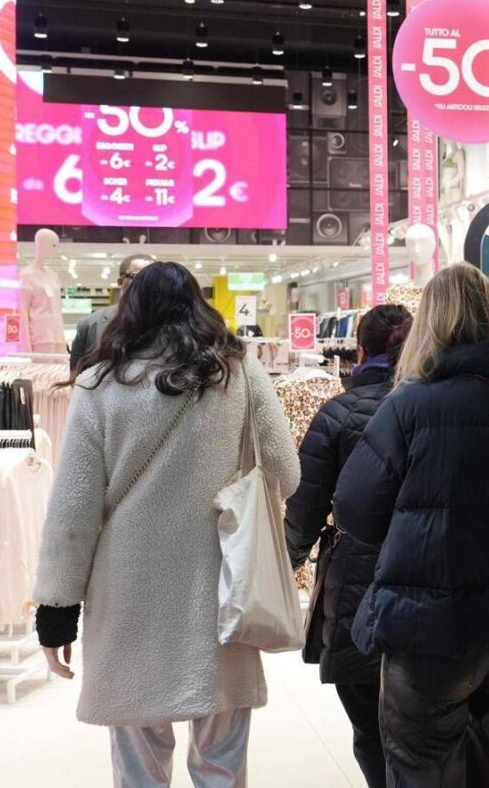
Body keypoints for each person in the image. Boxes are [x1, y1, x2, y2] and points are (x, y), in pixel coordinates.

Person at [33, 261, 299, 788]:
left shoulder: (98, 384)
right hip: (222, 586)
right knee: (221, 759)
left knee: (139, 765)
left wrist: (56, 612)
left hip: (129, 593)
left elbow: (73, 512)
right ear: (199, 305)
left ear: (129, 310)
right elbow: (286, 473)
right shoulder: (238, 373)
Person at [332, 263, 489, 788]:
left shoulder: (407, 407)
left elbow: (355, 512)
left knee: (420, 766)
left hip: (424, 632)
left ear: (430, 322)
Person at [284, 303, 413, 788]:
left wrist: (288, 562)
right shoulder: (438, 405)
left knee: (368, 723)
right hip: (429, 573)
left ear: (359, 351)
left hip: (356, 580)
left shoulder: (337, 413)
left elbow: (306, 506)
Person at [68, 253, 154, 371]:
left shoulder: (172, 324)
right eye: (137, 276)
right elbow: (75, 373)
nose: (146, 283)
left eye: (153, 278)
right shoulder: (90, 325)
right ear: (120, 281)